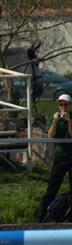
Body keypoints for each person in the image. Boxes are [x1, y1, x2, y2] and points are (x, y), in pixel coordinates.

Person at [38, 93, 72, 221]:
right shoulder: (56, 117)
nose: (63, 107)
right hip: (60, 156)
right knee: (52, 188)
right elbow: (51, 135)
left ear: (70, 105)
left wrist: (69, 121)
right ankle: (41, 217)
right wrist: (55, 121)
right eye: (61, 104)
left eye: (65, 104)